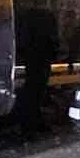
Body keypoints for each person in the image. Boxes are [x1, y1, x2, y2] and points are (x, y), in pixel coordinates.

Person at [16, 7, 59, 135]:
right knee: (37, 92)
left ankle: (28, 123)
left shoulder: (29, 21)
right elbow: (53, 44)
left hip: (32, 61)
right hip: (42, 62)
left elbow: (23, 42)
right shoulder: (48, 25)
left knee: (31, 92)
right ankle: (32, 123)